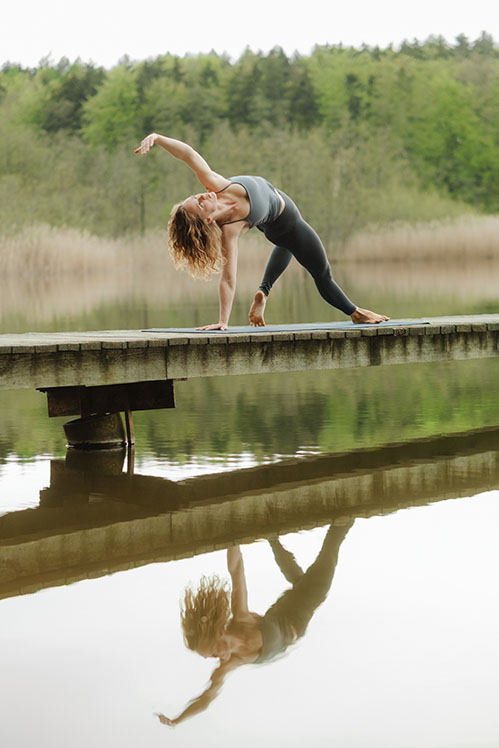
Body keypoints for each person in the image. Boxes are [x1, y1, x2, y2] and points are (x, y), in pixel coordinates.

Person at [134, 133, 389, 330]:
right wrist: (223, 322)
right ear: (208, 219)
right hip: (287, 220)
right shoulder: (230, 230)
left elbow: (188, 154)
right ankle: (356, 313)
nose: (202, 195)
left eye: (195, 195)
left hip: (275, 229)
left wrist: (158, 138)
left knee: (286, 244)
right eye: (200, 203)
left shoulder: (216, 185)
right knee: (322, 274)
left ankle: (263, 292)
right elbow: (228, 278)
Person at [155, 521, 353, 726]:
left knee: (332, 546)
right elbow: (206, 699)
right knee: (306, 582)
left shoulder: (241, 618)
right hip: (297, 615)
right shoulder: (230, 663)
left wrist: (232, 539)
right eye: (211, 657)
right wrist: (178, 720)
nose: (218, 657)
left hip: (298, 602)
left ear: (218, 632)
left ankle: (340, 514)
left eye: (214, 650)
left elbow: (237, 570)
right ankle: (273, 538)